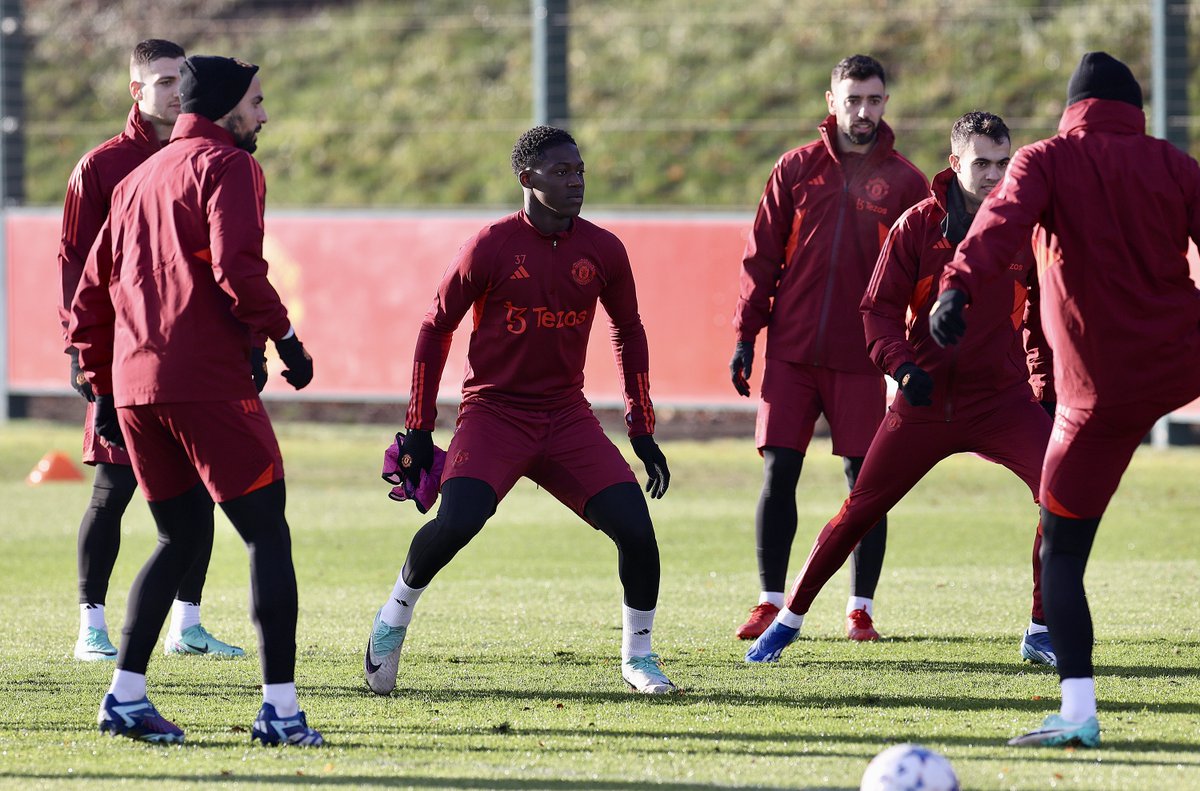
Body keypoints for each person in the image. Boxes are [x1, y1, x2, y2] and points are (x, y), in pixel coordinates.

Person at [929, 52, 1200, 749]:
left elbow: (997, 225)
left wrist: (954, 287)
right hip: (1182, 359)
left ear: (1072, 109)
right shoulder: (1174, 164)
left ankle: (1078, 711)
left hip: (1097, 392)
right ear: (1134, 110)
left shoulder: (1047, 158)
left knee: (1060, 552)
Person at [364, 125, 676, 697]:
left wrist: (641, 425)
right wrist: (417, 426)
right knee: (457, 523)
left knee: (637, 533)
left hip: (565, 416)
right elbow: (435, 328)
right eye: (562, 172)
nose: (577, 180)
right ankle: (393, 618)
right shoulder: (490, 246)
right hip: (493, 415)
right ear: (527, 179)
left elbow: (629, 332)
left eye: (580, 169)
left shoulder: (604, 249)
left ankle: (639, 657)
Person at [70, 55, 323, 746]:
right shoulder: (229, 166)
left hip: (135, 387)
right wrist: (288, 340)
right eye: (257, 101)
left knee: (177, 536)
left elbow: (89, 294)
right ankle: (281, 710)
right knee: (266, 530)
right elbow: (239, 268)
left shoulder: (138, 176)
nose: (264, 115)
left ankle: (125, 695)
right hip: (203, 381)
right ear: (224, 107)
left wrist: (98, 382)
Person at [745, 111, 1057, 671]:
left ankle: (1040, 628)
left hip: (1002, 402)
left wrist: (1041, 383)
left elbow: (1040, 317)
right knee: (859, 510)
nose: (993, 175)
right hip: (923, 401)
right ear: (955, 162)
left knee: (1061, 498)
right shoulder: (917, 225)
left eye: (1002, 163)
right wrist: (904, 369)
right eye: (981, 163)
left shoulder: (1025, 229)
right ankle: (787, 621)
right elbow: (877, 311)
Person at [57, 39, 245, 663]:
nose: (170, 90)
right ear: (135, 91)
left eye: (178, 79)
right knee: (113, 488)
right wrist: (84, 358)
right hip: (123, 358)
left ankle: (186, 625)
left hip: (192, 359)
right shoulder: (101, 167)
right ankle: (91, 625)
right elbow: (76, 267)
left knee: (203, 489)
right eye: (158, 80)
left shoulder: (208, 155)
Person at [730, 54, 927, 642]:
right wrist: (746, 335)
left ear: (885, 102)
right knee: (778, 472)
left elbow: (921, 275)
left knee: (867, 482)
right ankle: (768, 602)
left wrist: (915, 353)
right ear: (831, 100)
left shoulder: (908, 183)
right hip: (791, 352)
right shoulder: (795, 169)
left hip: (865, 358)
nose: (862, 111)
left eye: (873, 100)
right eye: (852, 100)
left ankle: (859, 610)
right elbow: (761, 257)